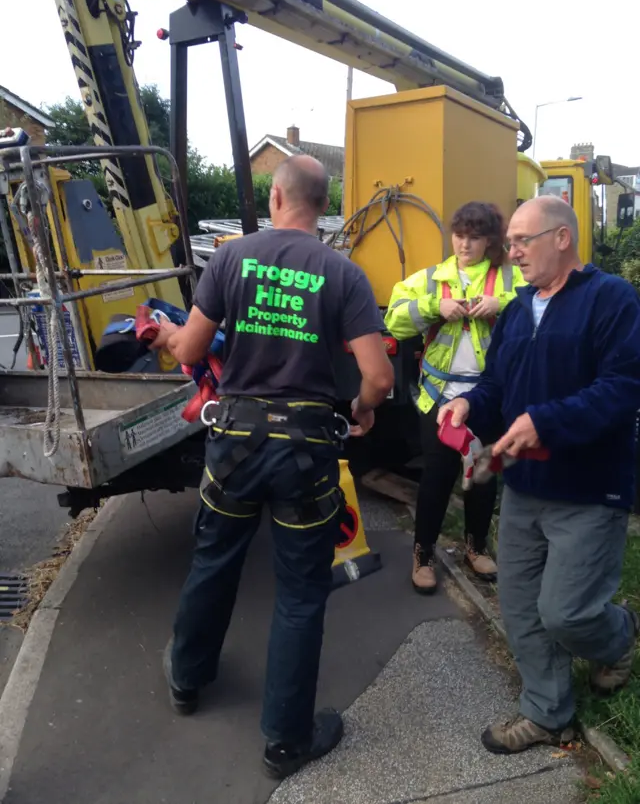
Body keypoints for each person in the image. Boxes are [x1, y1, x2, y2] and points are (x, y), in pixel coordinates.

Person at [149, 154, 394, 779]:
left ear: (276, 198)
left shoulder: (230, 257)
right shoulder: (344, 273)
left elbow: (193, 347)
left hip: (234, 444)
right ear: (321, 201)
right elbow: (378, 377)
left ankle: (186, 677)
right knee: (300, 592)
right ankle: (285, 741)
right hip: (306, 452)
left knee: (215, 560)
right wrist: (362, 413)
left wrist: (165, 335)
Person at [438, 195, 640, 754]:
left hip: (588, 486)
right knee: (523, 606)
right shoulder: (518, 307)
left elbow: (623, 389)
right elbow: (500, 385)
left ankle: (618, 634)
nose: (513, 252)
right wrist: (470, 406)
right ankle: (548, 711)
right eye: (510, 243)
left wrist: (545, 421)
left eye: (523, 240)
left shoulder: (612, 299)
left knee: (567, 612)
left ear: (562, 238)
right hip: (525, 486)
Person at [385, 202, 523, 594]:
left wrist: (504, 304)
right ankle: (423, 553)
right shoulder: (432, 278)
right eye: (460, 235)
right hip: (439, 394)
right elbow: (394, 318)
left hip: (489, 394)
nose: (465, 244)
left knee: (483, 475)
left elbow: (538, 306)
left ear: (490, 241)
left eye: (475, 237)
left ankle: (475, 547)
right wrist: (434, 306)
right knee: (438, 475)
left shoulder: (509, 278)